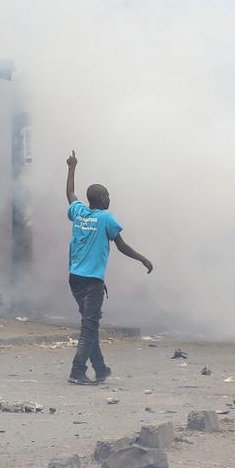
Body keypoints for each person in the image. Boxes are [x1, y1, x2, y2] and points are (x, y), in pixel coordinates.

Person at [64, 151, 153, 385]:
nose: (110, 199)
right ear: (102, 199)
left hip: (75, 278)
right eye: (108, 196)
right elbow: (121, 245)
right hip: (92, 282)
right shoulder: (106, 218)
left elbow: (70, 194)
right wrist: (142, 258)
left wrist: (71, 168)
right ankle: (77, 371)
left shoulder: (80, 212)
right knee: (89, 326)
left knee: (89, 324)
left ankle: (101, 369)